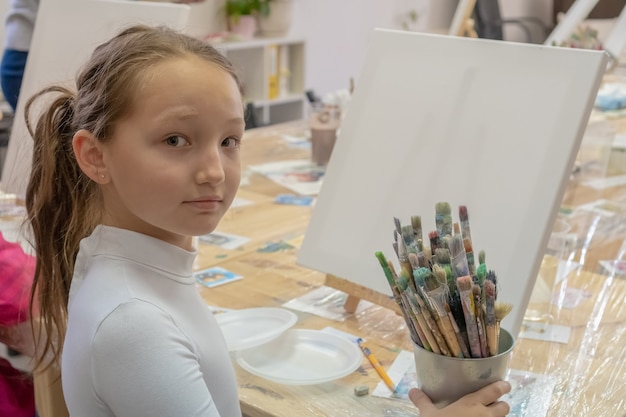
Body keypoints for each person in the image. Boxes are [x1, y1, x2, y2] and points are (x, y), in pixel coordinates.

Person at [24, 24, 510, 417]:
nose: (214, 171)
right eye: (176, 140)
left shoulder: (135, 270)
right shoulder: (133, 325)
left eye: (229, 141)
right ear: (94, 156)